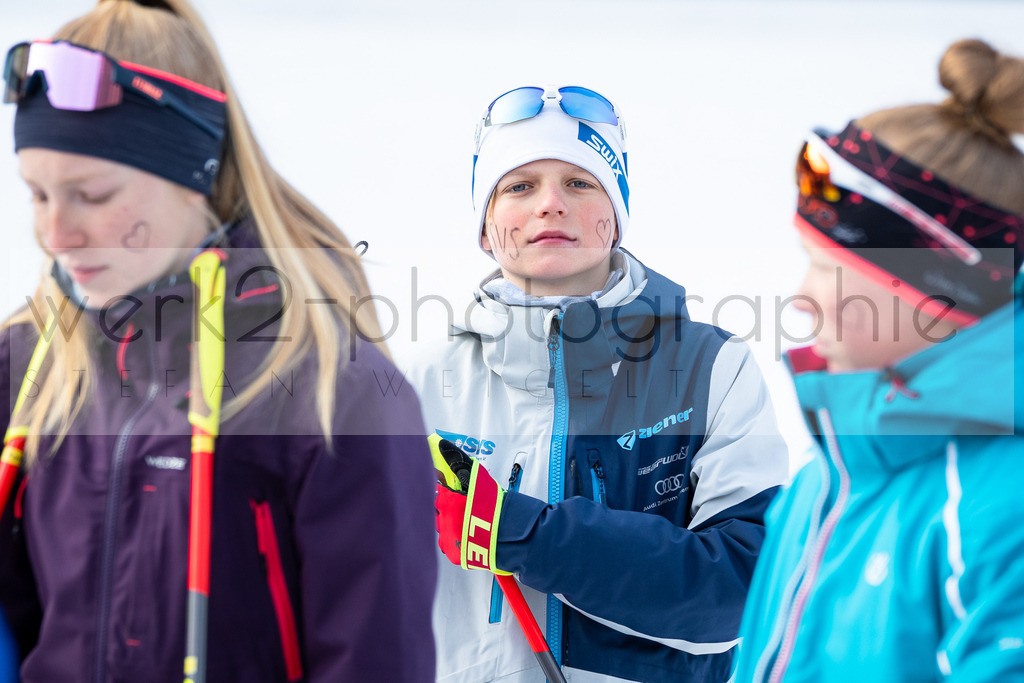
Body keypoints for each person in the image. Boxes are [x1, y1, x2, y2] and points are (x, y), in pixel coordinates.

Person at [0, 1, 437, 681]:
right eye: (37, 194)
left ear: (190, 172)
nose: (56, 234)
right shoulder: (27, 368)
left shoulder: (331, 393)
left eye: (92, 193)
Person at [402, 85, 790, 682]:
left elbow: (741, 592)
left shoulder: (712, 368)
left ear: (617, 216)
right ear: (485, 226)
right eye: (519, 186)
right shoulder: (418, 380)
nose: (550, 204)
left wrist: (524, 535)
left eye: (580, 183)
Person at [731, 39, 1024, 682]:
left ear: (936, 297)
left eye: (830, 269)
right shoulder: (829, 473)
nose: (803, 299)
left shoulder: (1000, 509)